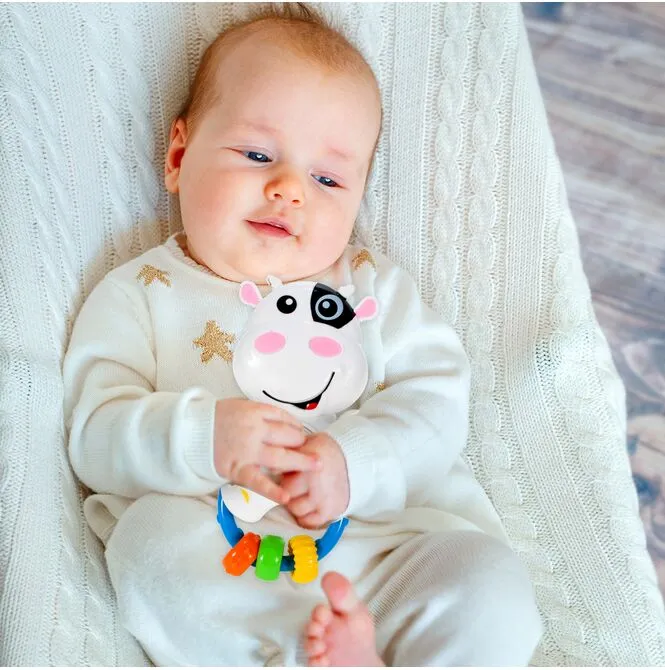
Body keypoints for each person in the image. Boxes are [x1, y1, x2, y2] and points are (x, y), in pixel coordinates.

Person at [63, 4, 542, 666]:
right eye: (257, 154)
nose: (289, 189)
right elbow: (94, 434)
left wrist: (355, 464)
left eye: (327, 179)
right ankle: (301, 655)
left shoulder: (371, 290)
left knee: (489, 581)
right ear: (178, 155)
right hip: (220, 551)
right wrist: (202, 437)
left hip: (379, 551)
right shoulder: (138, 293)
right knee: (147, 544)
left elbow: (435, 403)